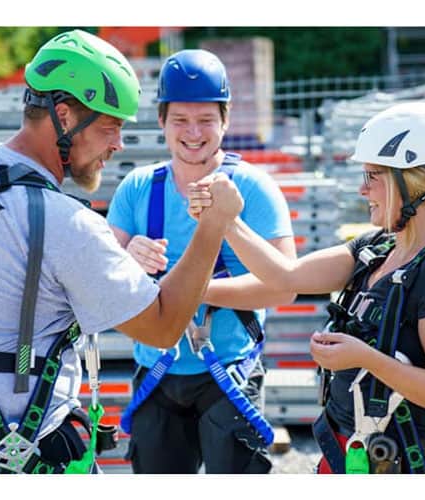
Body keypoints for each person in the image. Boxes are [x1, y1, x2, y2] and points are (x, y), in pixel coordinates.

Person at [0, 30, 244, 474]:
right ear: (63, 115)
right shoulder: (61, 222)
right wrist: (213, 226)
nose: (118, 144)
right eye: (109, 127)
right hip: (9, 460)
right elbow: (162, 325)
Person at [189, 101, 425, 474]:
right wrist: (227, 221)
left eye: (373, 176)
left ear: (414, 181)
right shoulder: (376, 248)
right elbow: (286, 276)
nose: (363, 190)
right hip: (352, 455)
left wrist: (365, 358)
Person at [106, 49, 296, 474]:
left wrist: (193, 290)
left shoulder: (253, 189)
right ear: (161, 122)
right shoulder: (137, 189)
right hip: (157, 373)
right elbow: (101, 277)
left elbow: (284, 284)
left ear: (225, 121)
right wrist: (126, 257)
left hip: (228, 373)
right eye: (180, 121)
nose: (193, 132)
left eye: (206, 120)